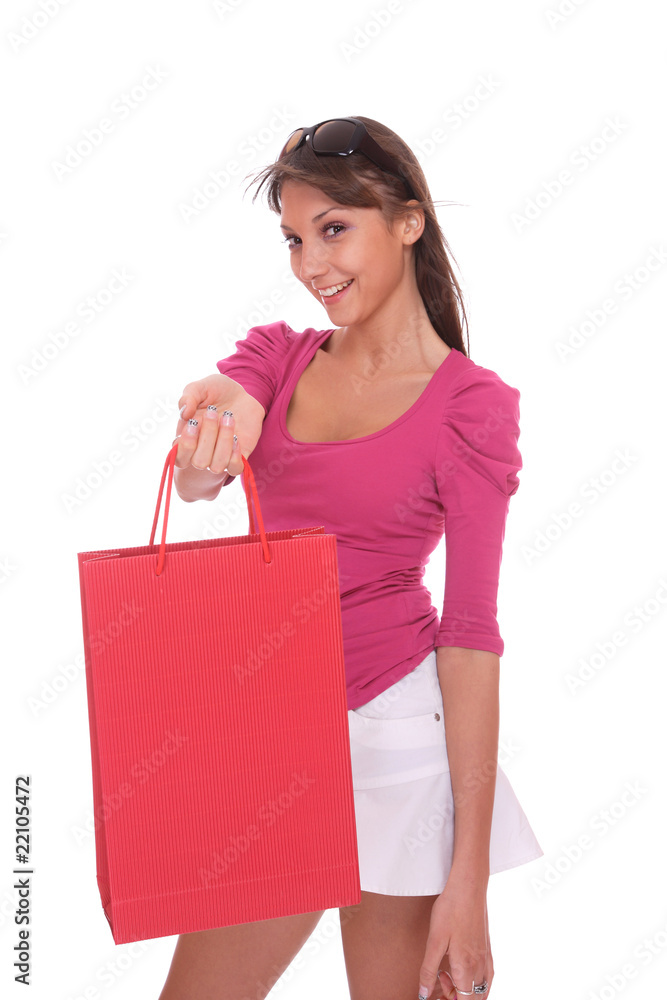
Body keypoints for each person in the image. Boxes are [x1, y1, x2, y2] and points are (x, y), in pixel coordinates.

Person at [158, 117, 543, 1000]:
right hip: (272, 731)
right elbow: (201, 474)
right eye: (294, 238)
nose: (309, 265)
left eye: (334, 230)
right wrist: (212, 429)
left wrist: (467, 883)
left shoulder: (470, 409)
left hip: (397, 738)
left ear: (407, 222)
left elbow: (471, 634)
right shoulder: (275, 357)